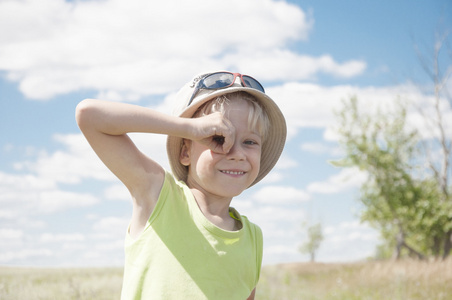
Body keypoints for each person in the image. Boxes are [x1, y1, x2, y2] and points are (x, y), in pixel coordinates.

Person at [75, 71, 287, 299]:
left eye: (250, 142)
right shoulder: (159, 197)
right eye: (218, 138)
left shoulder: (253, 237)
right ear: (185, 152)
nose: (237, 154)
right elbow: (89, 115)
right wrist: (188, 128)